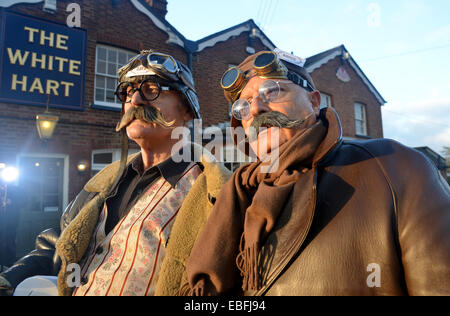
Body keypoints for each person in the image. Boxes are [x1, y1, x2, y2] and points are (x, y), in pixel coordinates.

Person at [182, 49, 450, 296]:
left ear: (314, 101)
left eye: (272, 91)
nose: (255, 109)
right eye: (244, 105)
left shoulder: (396, 168)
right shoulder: (237, 193)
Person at [0, 50, 231, 296]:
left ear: (187, 108)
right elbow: (56, 245)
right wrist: (9, 279)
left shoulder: (214, 194)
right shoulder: (103, 183)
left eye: (151, 89)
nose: (135, 100)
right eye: (128, 91)